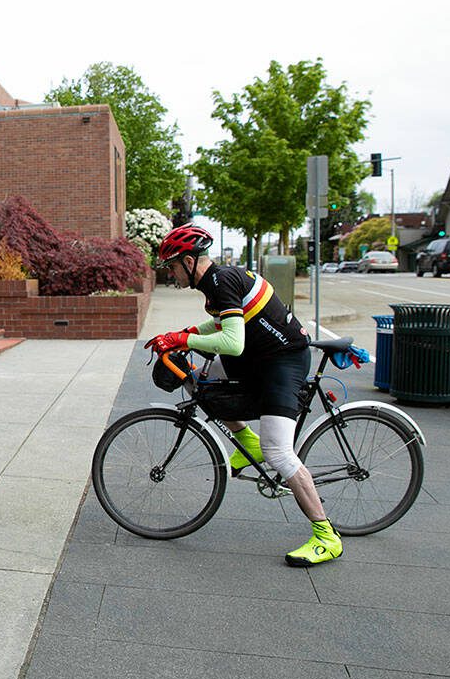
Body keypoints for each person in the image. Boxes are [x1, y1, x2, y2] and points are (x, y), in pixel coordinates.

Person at [145, 224, 343, 567]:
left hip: (284, 361)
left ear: (190, 262)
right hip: (258, 356)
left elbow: (232, 342)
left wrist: (183, 341)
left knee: (279, 452)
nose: (171, 273)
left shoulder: (222, 283)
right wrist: (186, 332)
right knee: (199, 382)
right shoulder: (215, 284)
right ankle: (245, 439)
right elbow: (225, 324)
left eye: (173, 266)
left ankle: (327, 537)